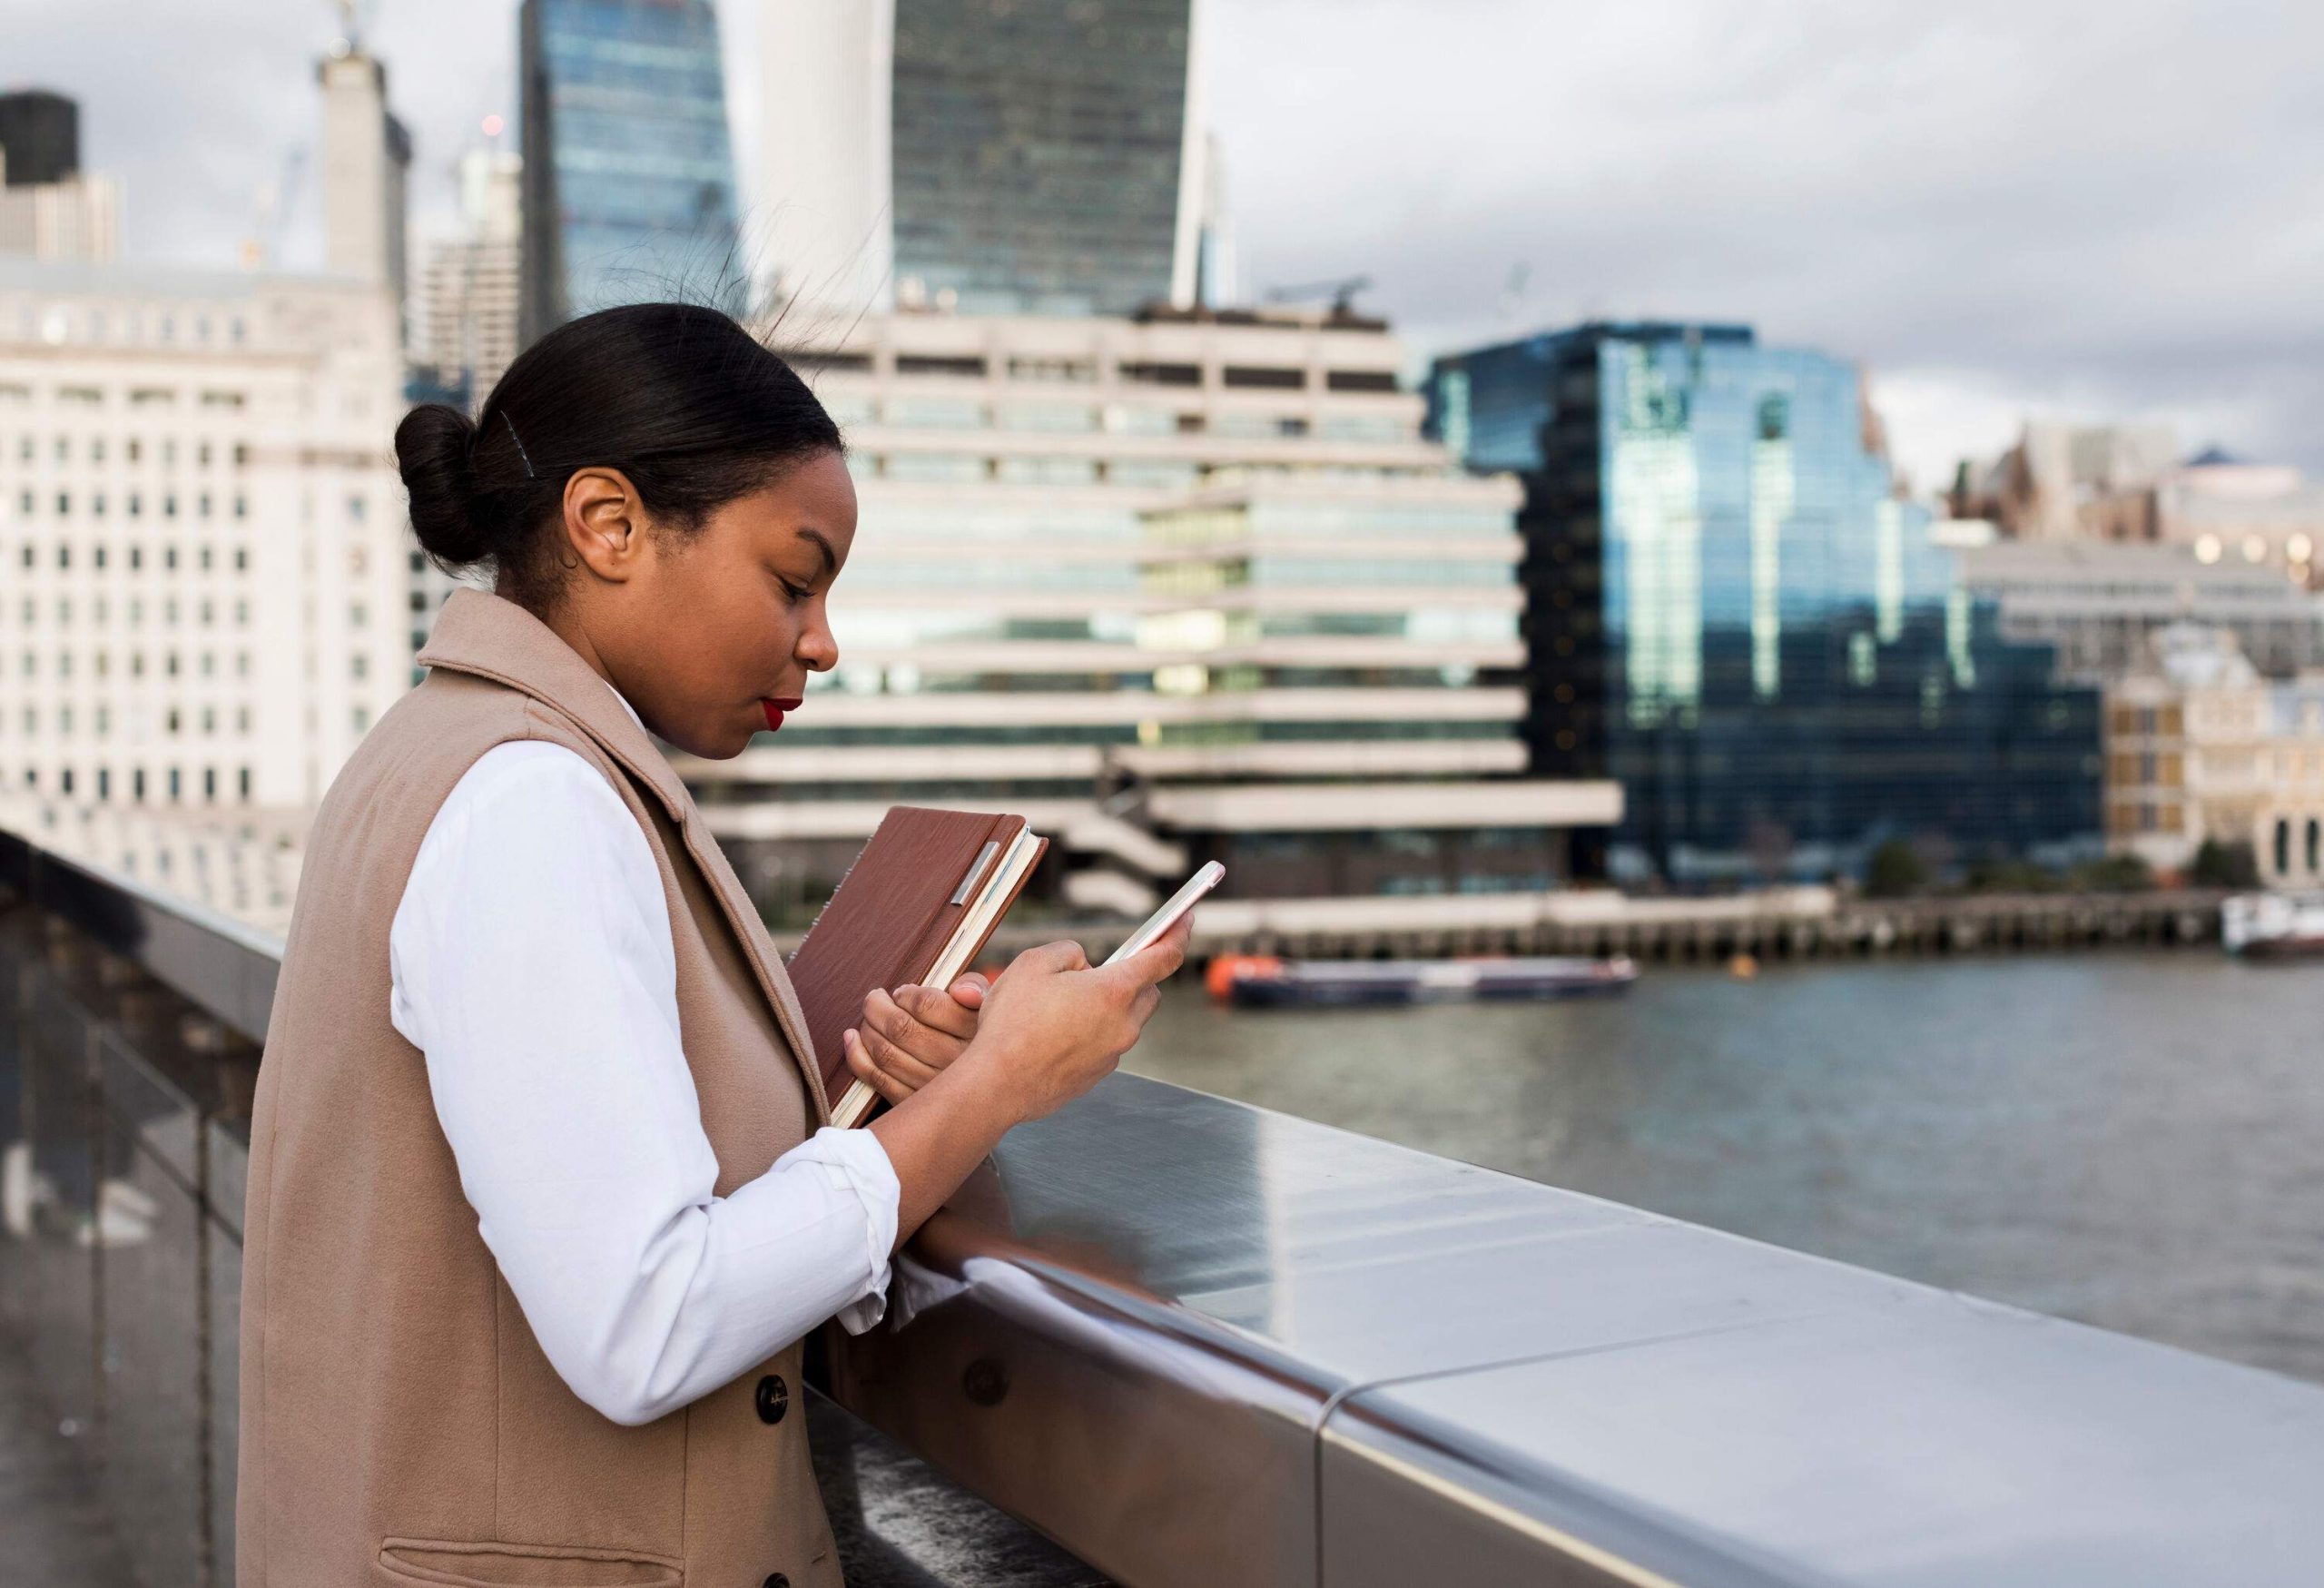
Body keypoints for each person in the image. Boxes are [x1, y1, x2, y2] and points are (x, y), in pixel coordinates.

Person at [235, 302, 1190, 1588]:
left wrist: (883, 1094)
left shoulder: (447, 749)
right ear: (610, 525)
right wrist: (993, 1085)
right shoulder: (533, 799)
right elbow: (651, 1319)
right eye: (794, 579)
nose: (824, 639)